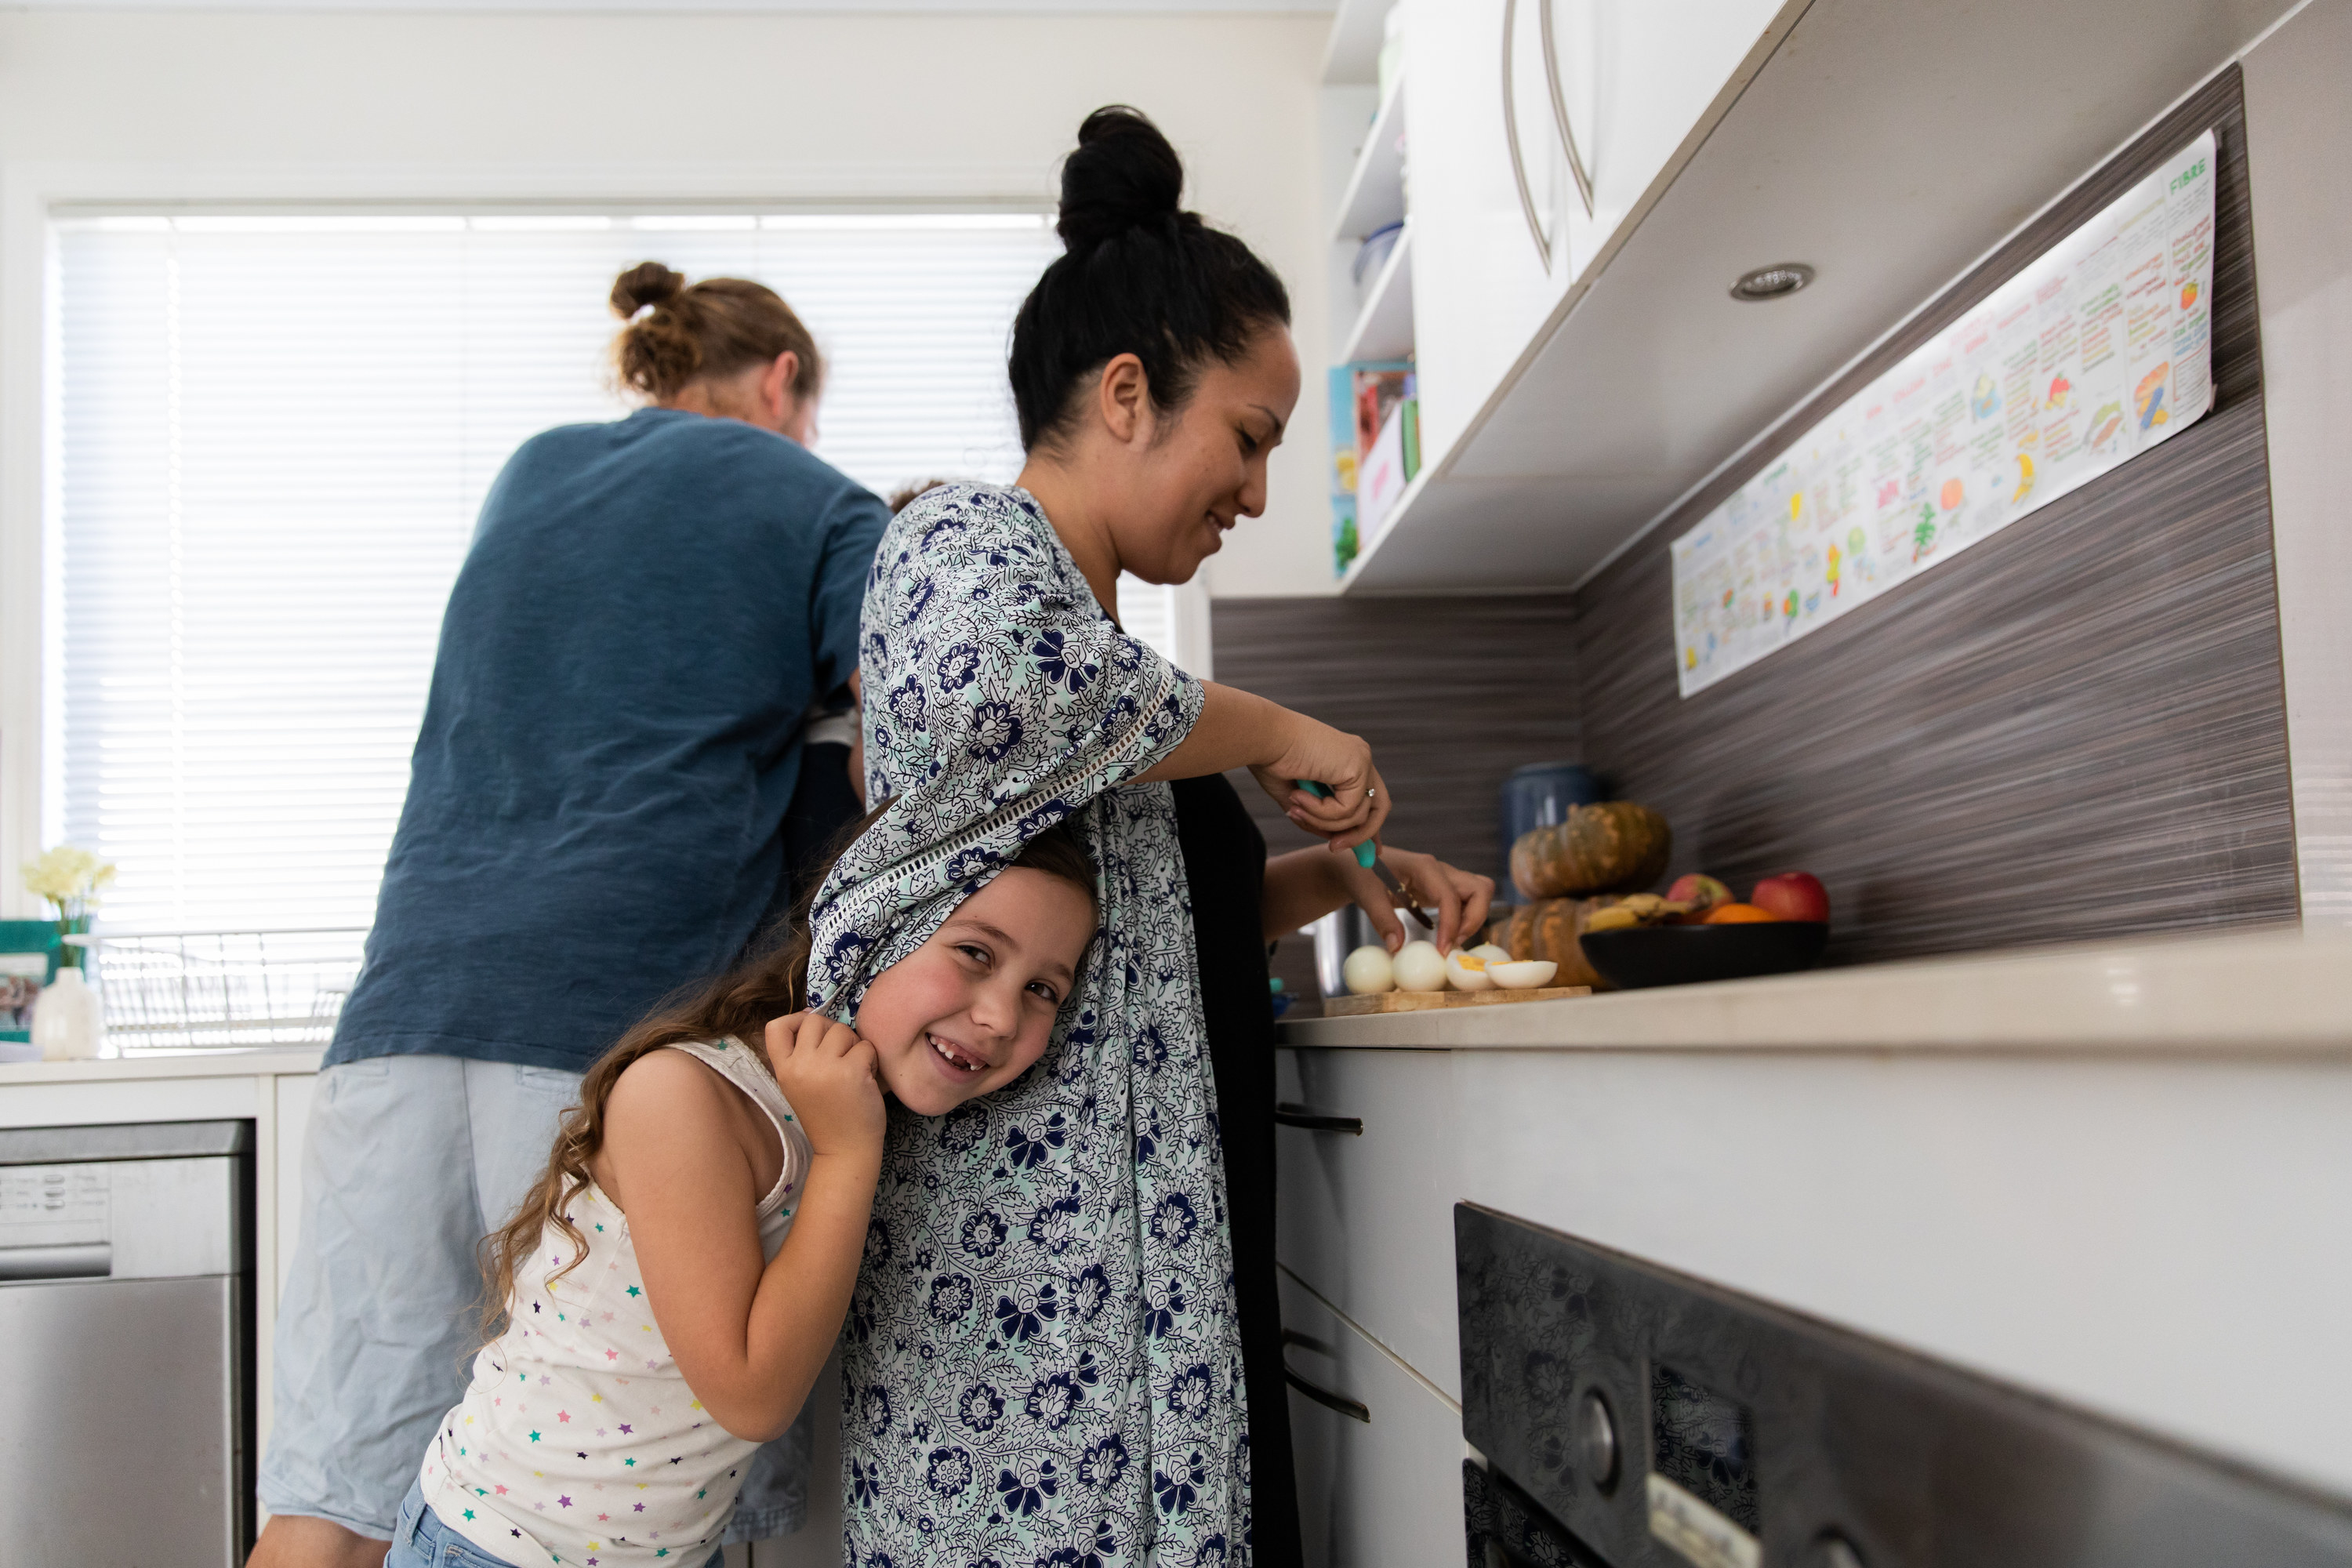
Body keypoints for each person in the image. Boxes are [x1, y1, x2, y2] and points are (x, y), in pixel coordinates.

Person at [815, 106, 1493, 1566]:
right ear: (1128, 392)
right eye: (1247, 441)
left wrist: (1357, 879)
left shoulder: (1123, 663)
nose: (1257, 490)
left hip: (1149, 1315)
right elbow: (1019, 687)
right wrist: (1283, 728)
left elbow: (1129, 942)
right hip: (1021, 1335)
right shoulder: (967, 550)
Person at [252, 263, 889, 1567]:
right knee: (619, 1516)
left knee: (335, 1499)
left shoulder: (531, 470)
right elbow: (925, 704)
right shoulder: (815, 500)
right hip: (613, 1043)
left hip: (402, 1021)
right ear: (783, 384)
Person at [386, 815, 1102, 1568]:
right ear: (870, 928)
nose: (1000, 1015)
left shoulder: (855, 1107)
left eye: (1044, 989)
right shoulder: (685, 1096)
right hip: (503, 1546)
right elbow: (752, 1398)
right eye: (974, 953)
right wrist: (847, 1151)